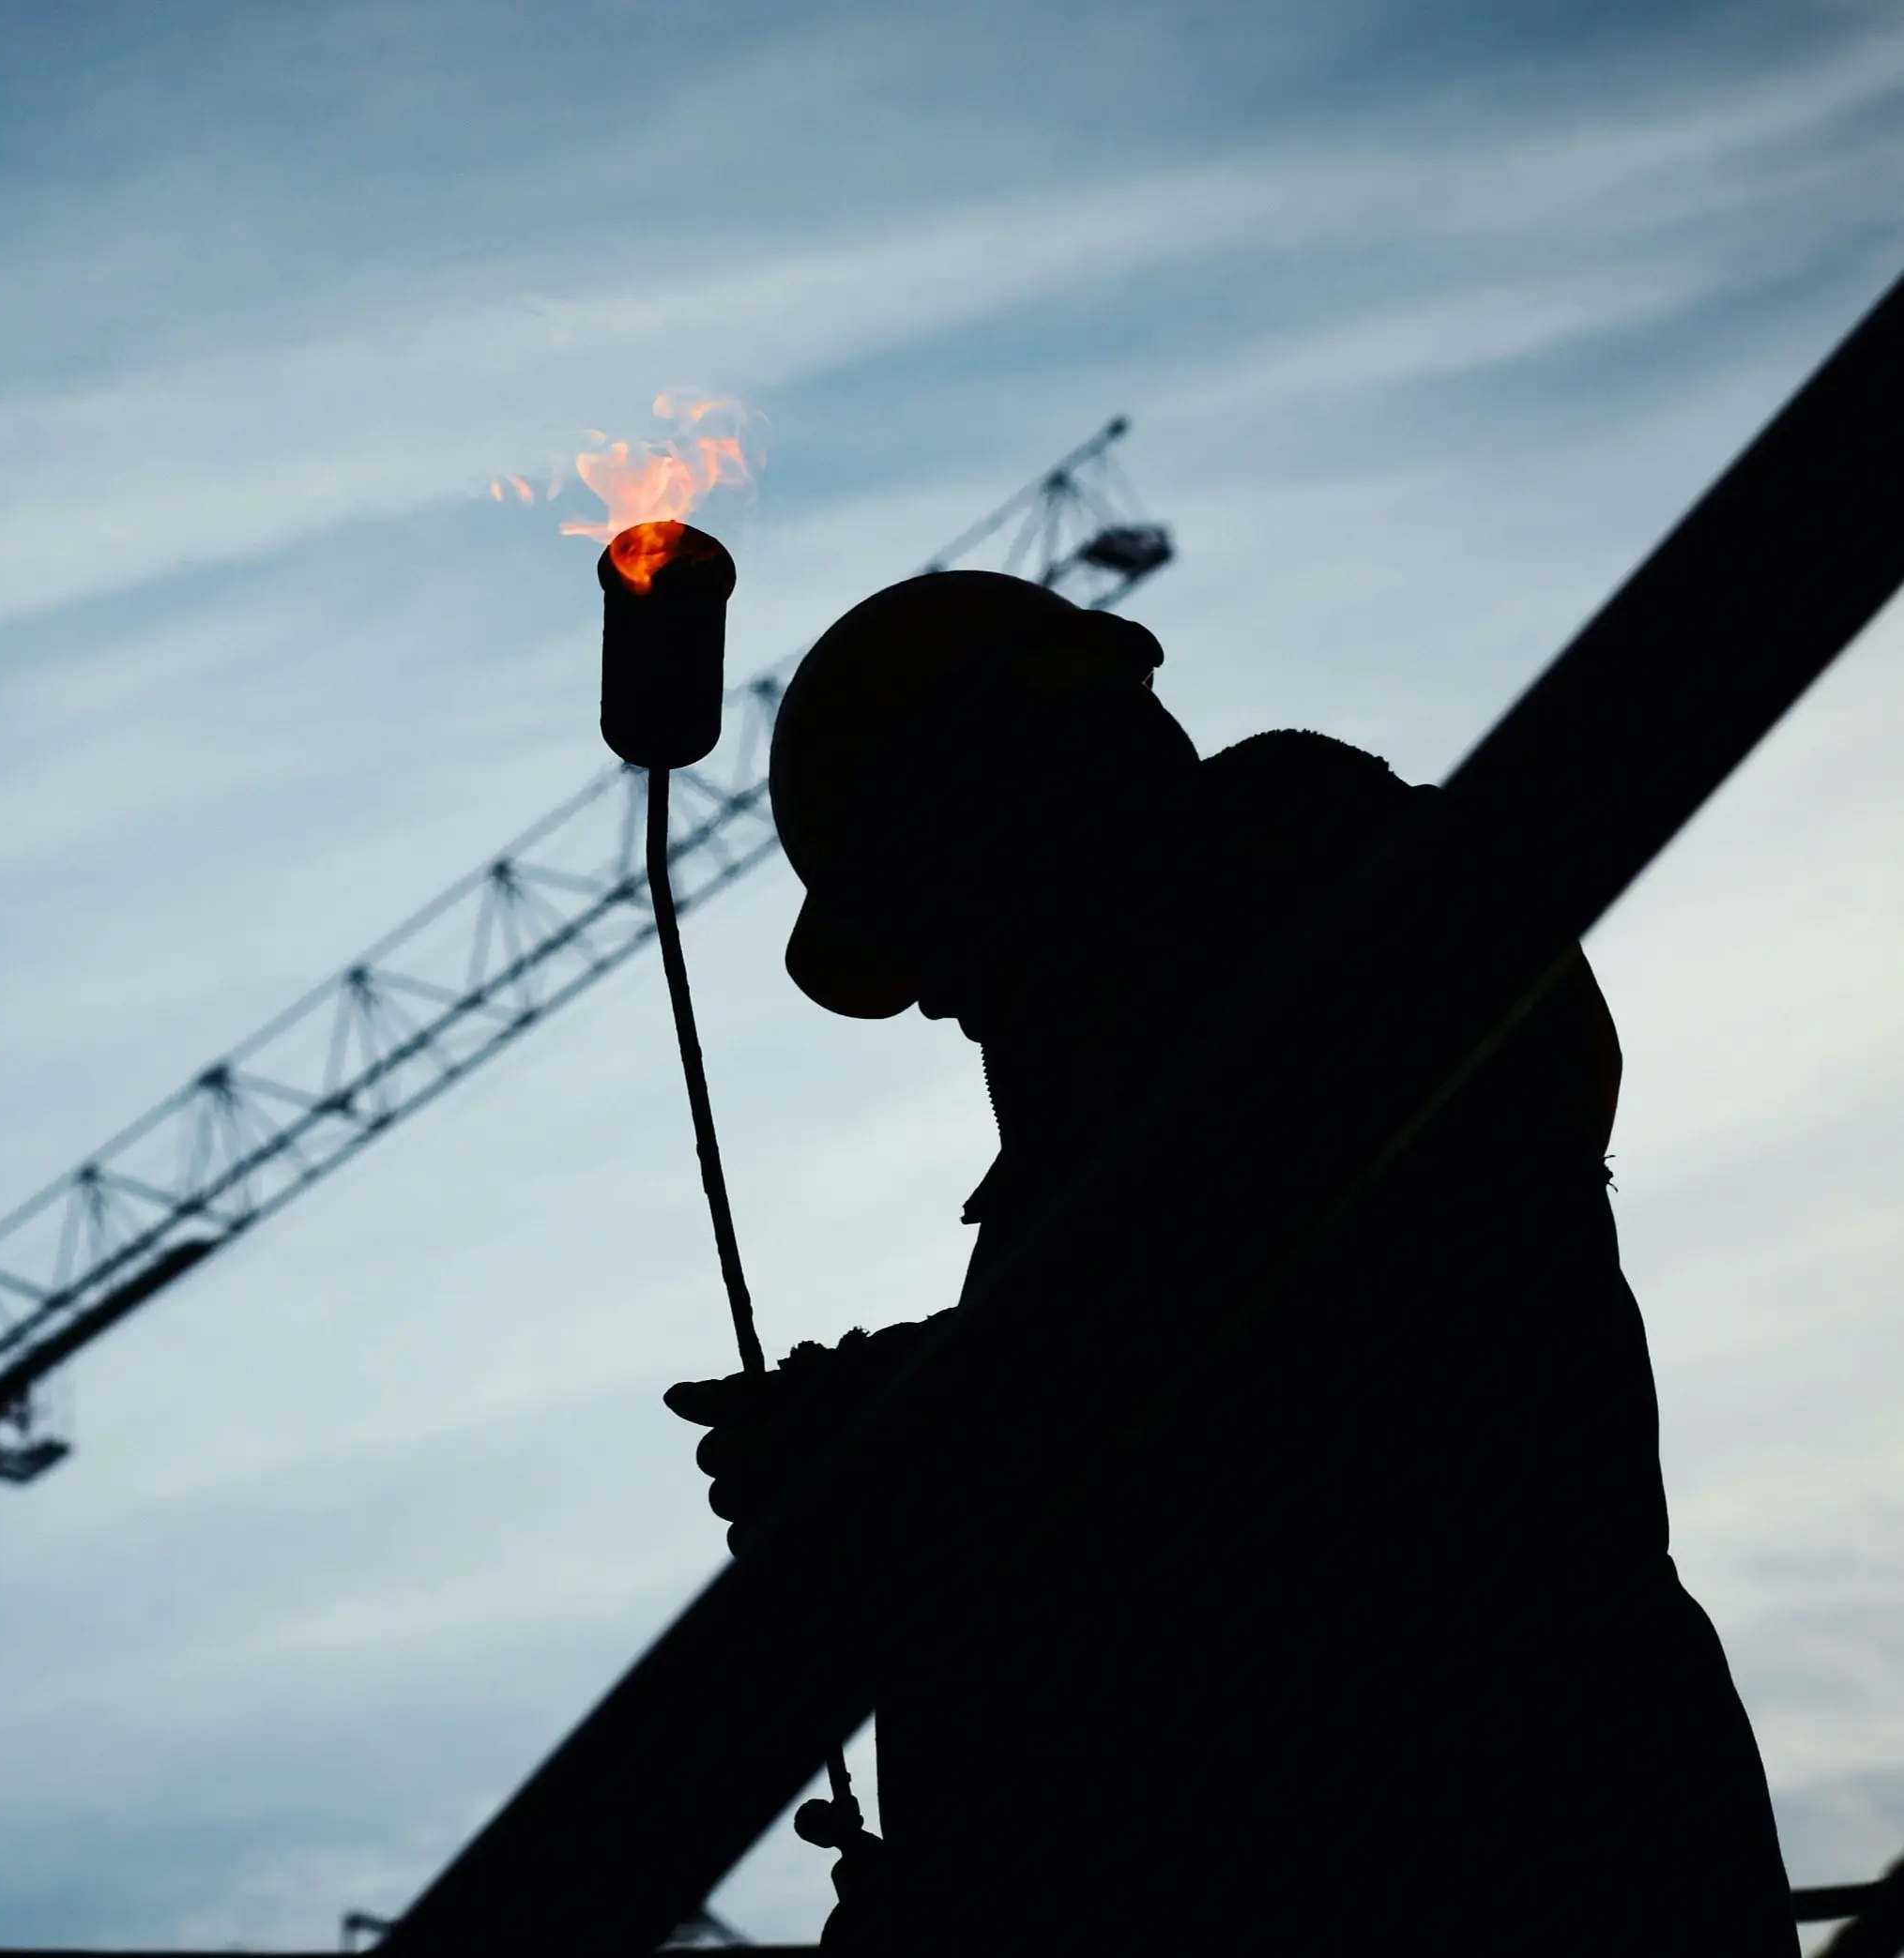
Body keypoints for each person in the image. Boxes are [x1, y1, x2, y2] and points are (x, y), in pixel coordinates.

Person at [666, 571, 1796, 1955]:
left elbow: (1297, 1424)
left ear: (1021, 797)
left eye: (928, 916)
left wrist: (904, 1432)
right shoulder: (1121, 1166)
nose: (937, 996)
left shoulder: (1359, 946)